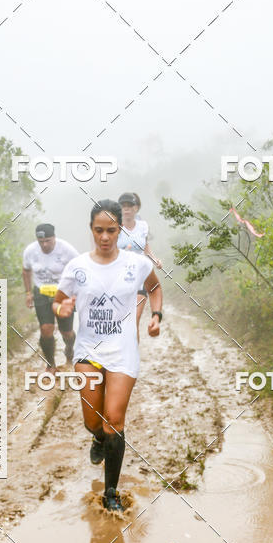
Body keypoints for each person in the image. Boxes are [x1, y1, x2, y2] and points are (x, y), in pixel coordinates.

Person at [53, 200, 163, 512]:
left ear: (120, 231)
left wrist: (157, 316)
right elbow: (58, 301)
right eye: (99, 230)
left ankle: (110, 492)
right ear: (91, 229)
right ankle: (98, 438)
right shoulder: (77, 267)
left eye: (111, 230)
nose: (104, 237)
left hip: (123, 350)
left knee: (113, 420)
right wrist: (63, 308)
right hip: (88, 351)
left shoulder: (136, 263)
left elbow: (154, 288)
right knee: (94, 422)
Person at [22, 223, 79, 370]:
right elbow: (26, 271)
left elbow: (81, 270)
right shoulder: (30, 251)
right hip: (42, 293)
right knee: (46, 329)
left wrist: (77, 293)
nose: (45, 245)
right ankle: (50, 365)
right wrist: (28, 293)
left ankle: (69, 349)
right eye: (41, 242)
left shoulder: (67, 250)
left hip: (63, 293)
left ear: (54, 237)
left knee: (66, 332)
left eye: (48, 241)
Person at [117, 192, 162, 335]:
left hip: (139, 276)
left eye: (129, 206)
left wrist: (155, 260)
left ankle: (132, 350)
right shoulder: (114, 227)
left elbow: (146, 249)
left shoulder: (143, 226)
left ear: (136, 208)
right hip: (118, 277)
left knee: (133, 321)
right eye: (123, 206)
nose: (126, 209)